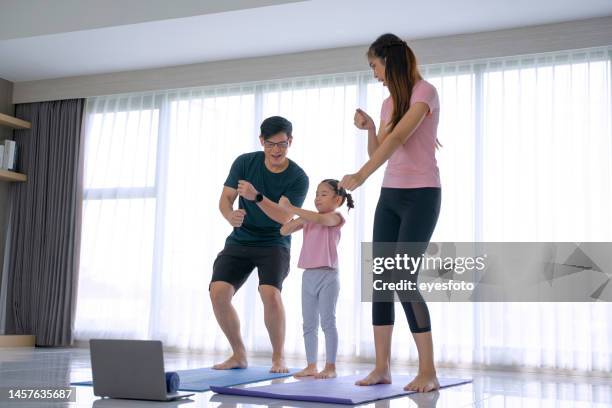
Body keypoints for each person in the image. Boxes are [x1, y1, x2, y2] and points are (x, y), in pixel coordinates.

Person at [339, 33, 442, 392]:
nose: (374, 74)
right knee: (381, 281)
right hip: (391, 196)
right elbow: (384, 148)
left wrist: (359, 176)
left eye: (374, 65)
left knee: (403, 279)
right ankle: (381, 367)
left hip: (422, 195)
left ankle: (428, 370)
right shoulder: (387, 104)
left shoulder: (424, 92)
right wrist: (370, 129)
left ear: (389, 60)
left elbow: (400, 139)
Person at [209, 116, 309, 373]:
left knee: (270, 294)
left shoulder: (298, 177)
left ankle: (278, 357)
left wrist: (257, 197)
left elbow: (284, 217)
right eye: (271, 144)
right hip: (241, 239)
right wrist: (229, 215)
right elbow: (225, 200)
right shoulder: (245, 162)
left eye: (283, 144)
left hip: (275, 242)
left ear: (291, 142)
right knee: (218, 293)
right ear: (261, 141)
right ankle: (238, 354)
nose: (277, 150)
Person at [279, 179, 354, 379]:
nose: (317, 198)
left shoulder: (335, 217)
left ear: (337, 199)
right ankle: (311, 365)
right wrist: (298, 218)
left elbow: (322, 220)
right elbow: (283, 230)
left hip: (328, 275)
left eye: (323, 194)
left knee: (328, 322)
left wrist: (292, 208)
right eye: (316, 194)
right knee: (309, 323)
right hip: (308, 275)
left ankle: (330, 367)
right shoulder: (310, 218)